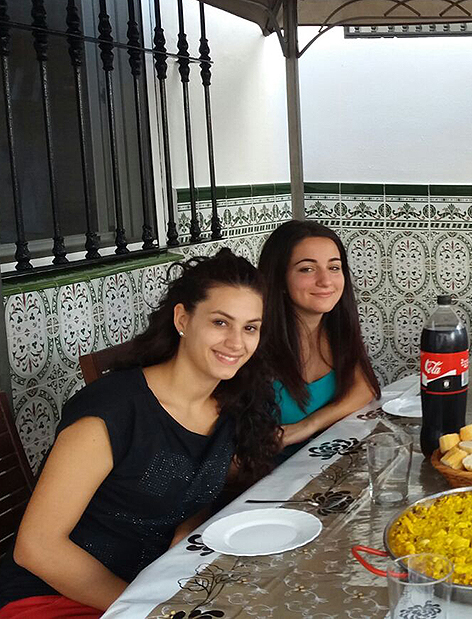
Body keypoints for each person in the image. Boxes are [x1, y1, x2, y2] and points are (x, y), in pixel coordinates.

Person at [0, 249, 281, 616]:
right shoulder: (113, 411)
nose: (236, 343)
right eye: (220, 322)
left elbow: (191, 485)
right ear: (183, 319)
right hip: (56, 596)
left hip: (152, 584)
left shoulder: (228, 403)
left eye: (250, 327)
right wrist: (149, 606)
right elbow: (36, 547)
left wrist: (188, 526)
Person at [258, 221, 380, 453]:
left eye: (334, 268)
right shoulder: (255, 340)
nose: (325, 281)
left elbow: (365, 388)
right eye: (307, 269)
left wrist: (306, 426)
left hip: (326, 470)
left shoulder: (336, 330)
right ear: (280, 279)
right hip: (267, 480)